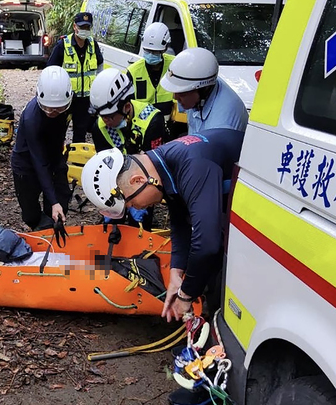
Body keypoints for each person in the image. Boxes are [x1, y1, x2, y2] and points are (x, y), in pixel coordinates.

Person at [81, 128, 244, 322]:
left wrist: (185, 296)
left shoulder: (192, 167)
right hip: (237, 205)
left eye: (131, 203)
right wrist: (176, 272)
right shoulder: (163, 163)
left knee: (220, 276)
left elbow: (207, 243)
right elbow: (180, 217)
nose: (136, 207)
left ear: (137, 180)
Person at [88, 68, 166, 229]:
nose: (105, 121)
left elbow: (155, 168)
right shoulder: (100, 127)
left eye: (110, 116)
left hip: (143, 180)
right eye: (102, 116)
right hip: (116, 181)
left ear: (127, 107)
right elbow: (105, 167)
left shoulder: (152, 121)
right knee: (112, 226)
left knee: (139, 224)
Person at [10, 66, 73, 231]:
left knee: (61, 201)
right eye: (48, 108)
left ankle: (53, 229)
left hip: (54, 156)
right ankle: (42, 229)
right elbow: (39, 162)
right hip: (27, 163)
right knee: (31, 216)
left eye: (59, 109)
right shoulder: (32, 118)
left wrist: (56, 202)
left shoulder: (65, 107)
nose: (53, 112)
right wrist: (53, 202)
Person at [161, 47, 248, 134]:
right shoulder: (199, 84)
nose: (175, 97)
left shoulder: (221, 125)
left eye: (182, 93)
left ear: (203, 89)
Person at [47, 11, 104, 142]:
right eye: (82, 27)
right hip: (65, 98)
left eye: (87, 28)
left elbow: (100, 65)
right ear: (74, 27)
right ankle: (58, 158)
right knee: (59, 130)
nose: (84, 30)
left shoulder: (92, 45)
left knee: (81, 132)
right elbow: (51, 70)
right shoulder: (63, 45)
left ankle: (77, 159)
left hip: (84, 100)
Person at [126, 22, 175, 118]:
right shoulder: (133, 71)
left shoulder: (174, 65)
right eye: (148, 51)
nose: (151, 54)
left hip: (168, 123)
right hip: (142, 125)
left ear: (165, 48)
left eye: (155, 51)